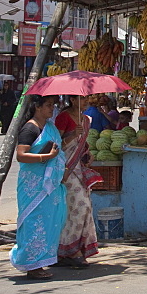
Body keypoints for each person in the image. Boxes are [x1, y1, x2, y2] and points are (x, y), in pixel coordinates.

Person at [11, 95, 67, 280]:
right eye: (49, 105)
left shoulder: (50, 128)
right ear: (37, 106)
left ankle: (41, 262)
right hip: (33, 185)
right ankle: (31, 264)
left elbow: (58, 149)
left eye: (53, 105)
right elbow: (21, 155)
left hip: (50, 186)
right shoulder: (29, 128)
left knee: (49, 222)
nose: (52, 109)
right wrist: (46, 157)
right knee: (34, 222)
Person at [55, 95, 103, 268]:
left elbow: (82, 143)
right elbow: (55, 144)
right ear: (73, 100)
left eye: (87, 98)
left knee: (84, 207)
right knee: (78, 207)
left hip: (78, 168)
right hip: (66, 169)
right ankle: (69, 250)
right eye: (82, 98)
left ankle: (75, 248)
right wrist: (72, 135)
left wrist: (87, 152)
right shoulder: (64, 117)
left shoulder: (85, 119)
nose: (87, 101)